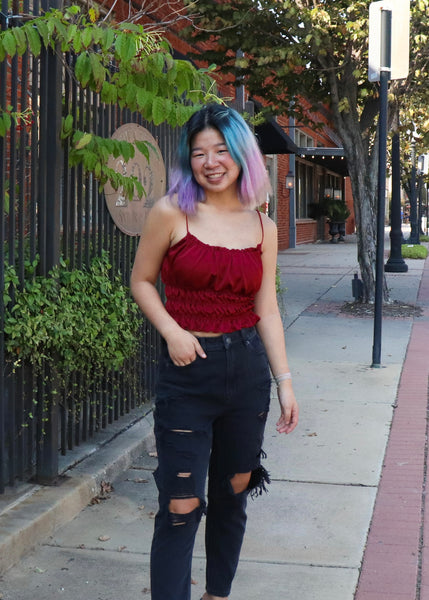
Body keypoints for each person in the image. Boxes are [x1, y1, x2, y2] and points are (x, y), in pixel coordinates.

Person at [130, 103, 299, 600]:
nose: (210, 161)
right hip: (189, 375)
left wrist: (285, 382)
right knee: (181, 506)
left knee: (234, 494)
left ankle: (216, 594)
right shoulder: (171, 212)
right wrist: (172, 330)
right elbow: (141, 281)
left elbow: (265, 307)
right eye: (199, 152)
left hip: (246, 375)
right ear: (189, 159)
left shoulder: (263, 227)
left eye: (221, 150)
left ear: (241, 155)